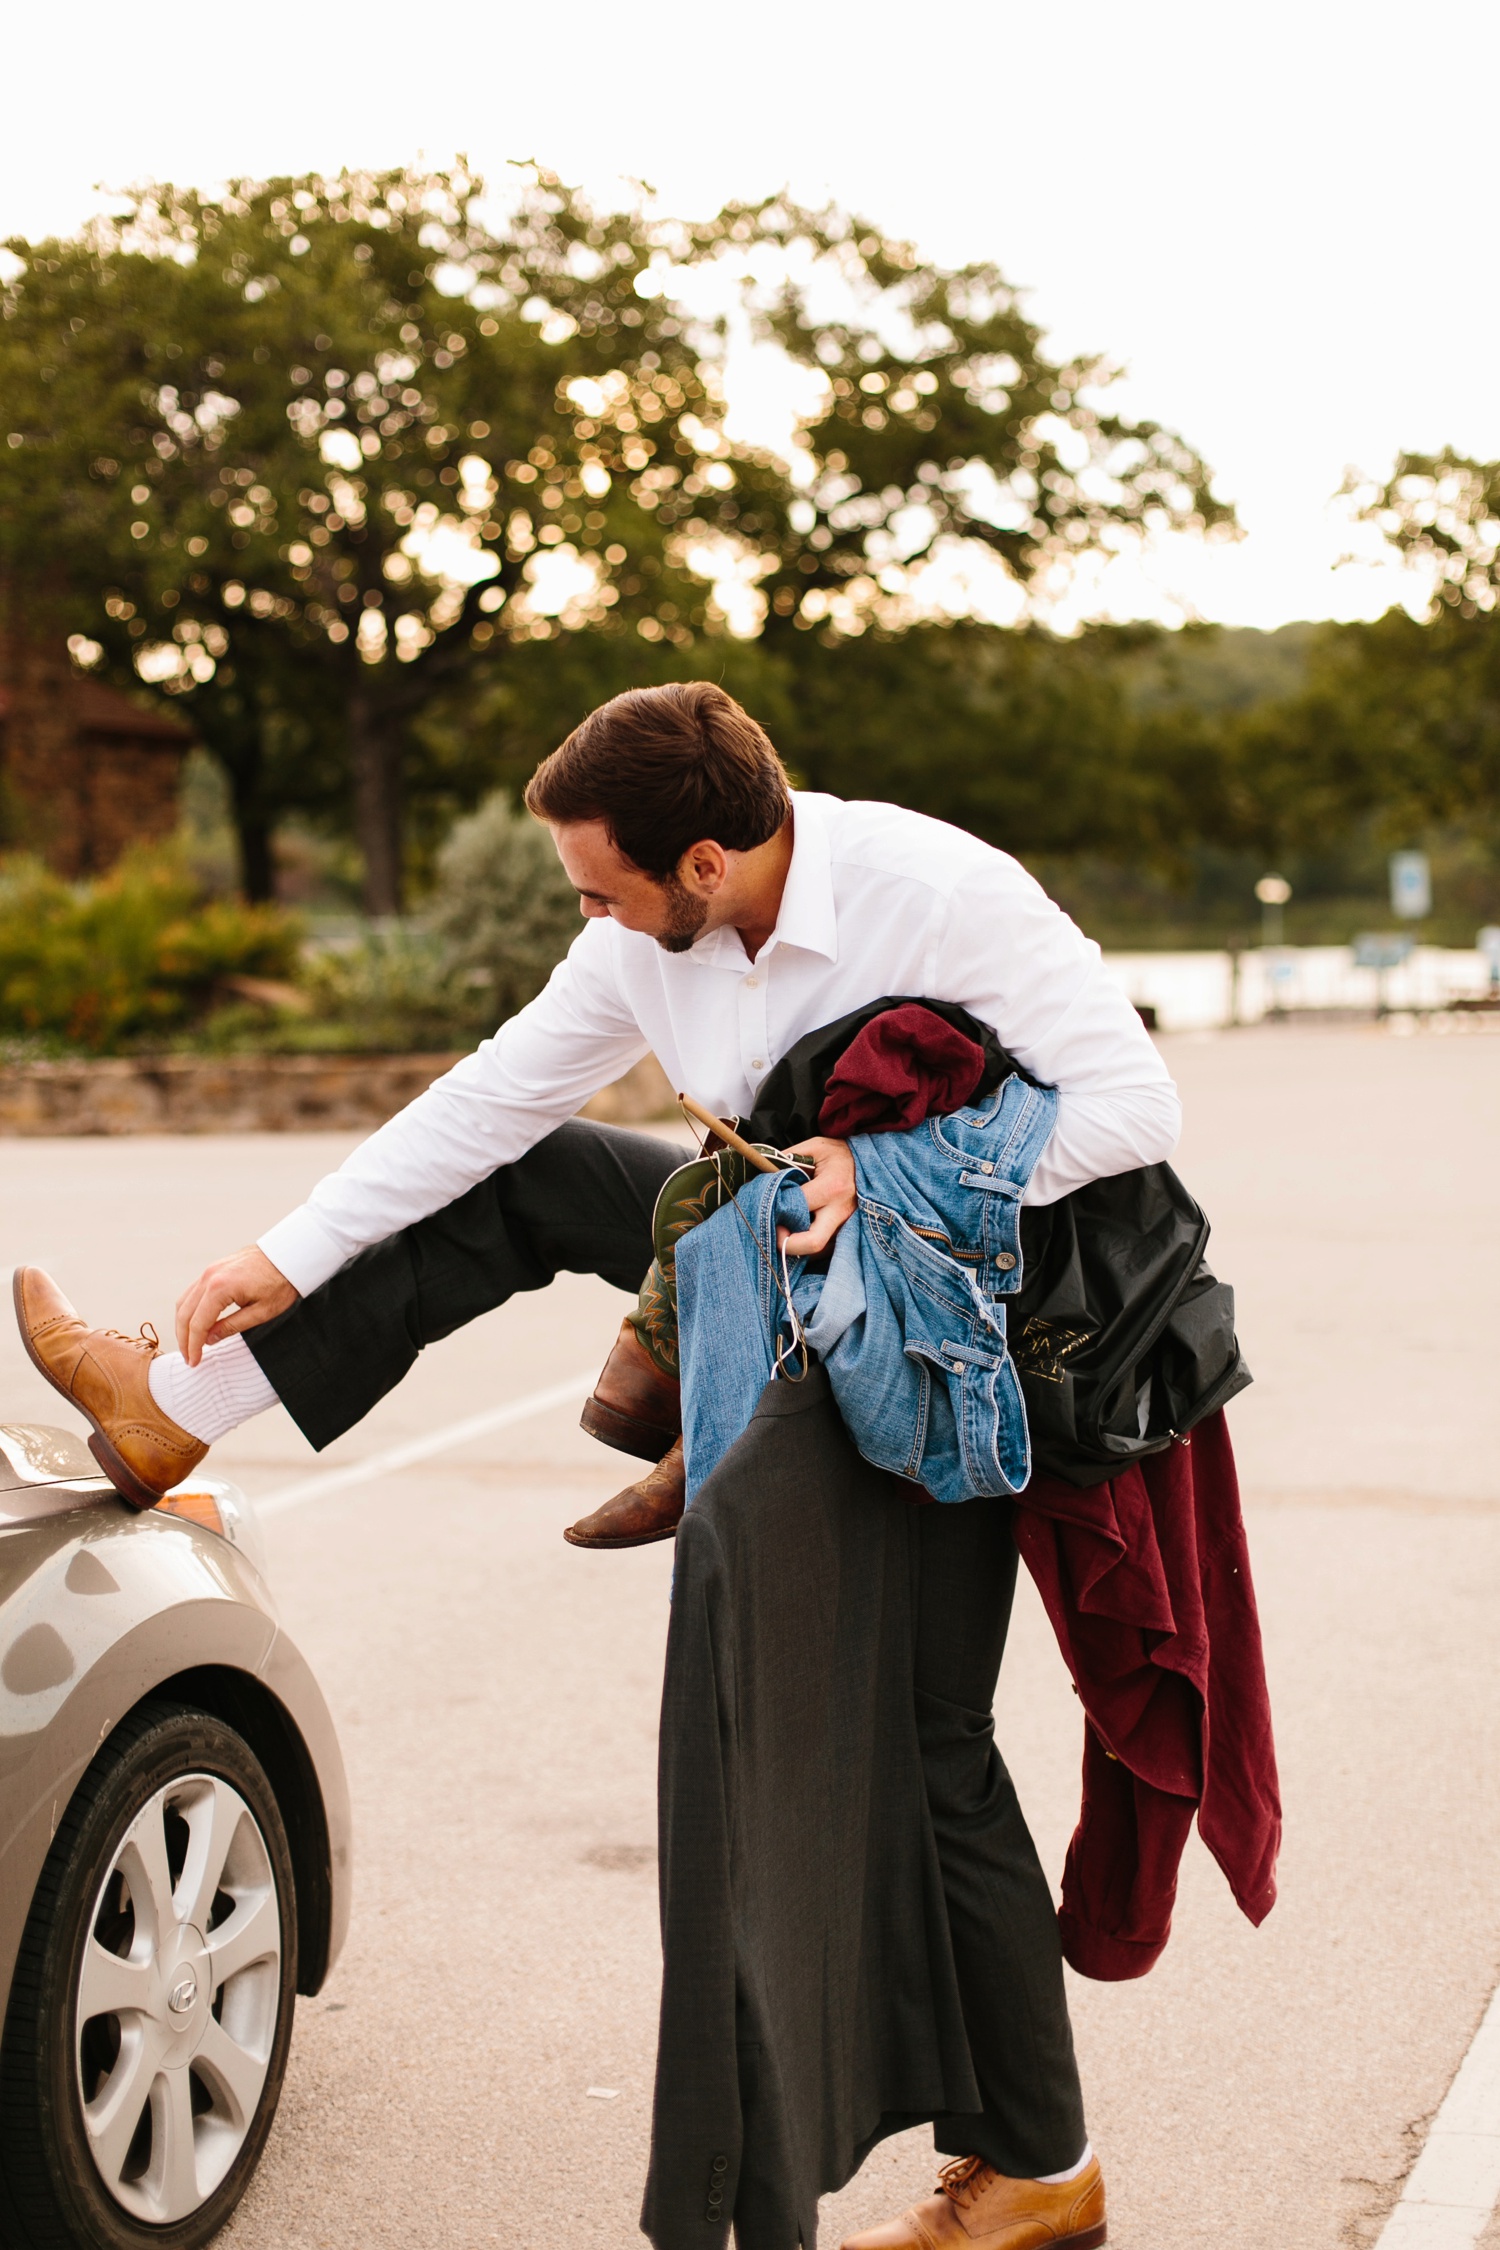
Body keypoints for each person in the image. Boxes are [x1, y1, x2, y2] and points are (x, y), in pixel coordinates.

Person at [17, 680, 1176, 2248]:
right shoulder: (649, 933)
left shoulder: (936, 890)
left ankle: (1042, 2167)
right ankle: (177, 1399)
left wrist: (888, 1164)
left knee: (927, 1742)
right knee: (537, 1168)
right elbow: (495, 1092)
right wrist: (283, 1252)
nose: (587, 913)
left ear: (705, 860)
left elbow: (1135, 1103)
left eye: (599, 883)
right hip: (775, 1244)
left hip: (949, 1331)